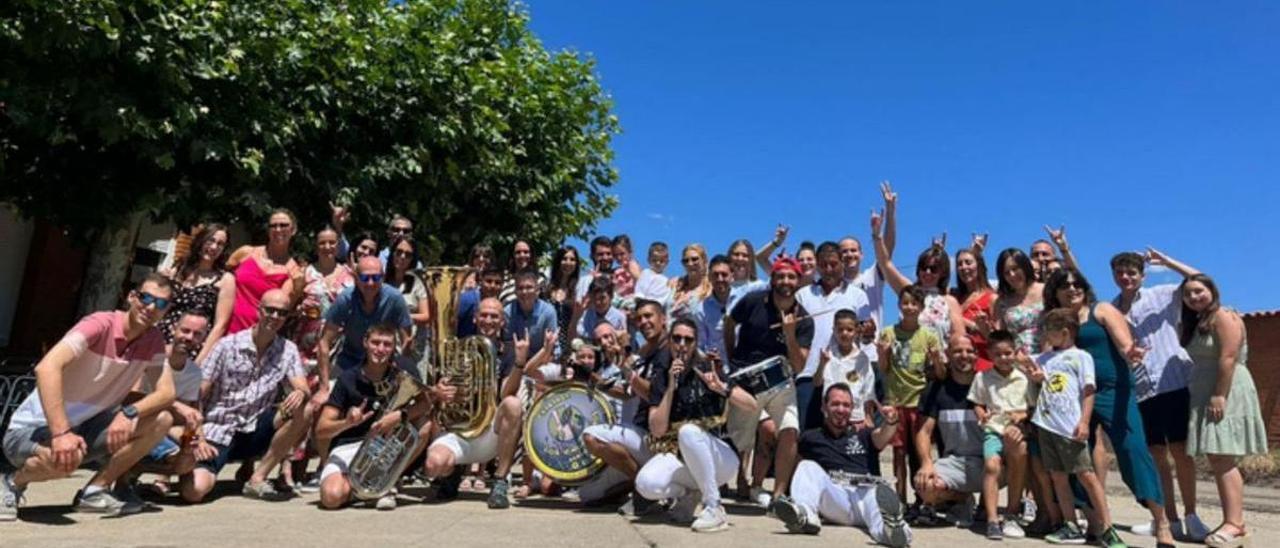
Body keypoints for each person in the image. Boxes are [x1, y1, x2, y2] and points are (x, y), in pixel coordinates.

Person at [2, 275, 175, 520]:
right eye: (146, 298)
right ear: (132, 296)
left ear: (166, 311)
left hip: (85, 430)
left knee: (162, 420)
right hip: (31, 430)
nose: (150, 307)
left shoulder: (153, 339)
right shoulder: (100, 324)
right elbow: (47, 368)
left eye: (160, 304)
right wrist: (61, 433)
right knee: (65, 459)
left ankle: (94, 491)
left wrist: (129, 413)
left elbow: (167, 392)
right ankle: (11, 483)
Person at [1043, 268, 1174, 546]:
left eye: (1076, 283)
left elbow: (1124, 341)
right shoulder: (1055, 322)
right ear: (1054, 292)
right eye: (1064, 285)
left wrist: (1130, 351)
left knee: (1133, 450)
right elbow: (1047, 357)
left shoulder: (1100, 310)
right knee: (1080, 460)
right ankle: (1097, 525)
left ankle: (1162, 523)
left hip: (1115, 391)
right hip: (1073, 399)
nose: (1072, 289)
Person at [1110, 248, 1209, 540]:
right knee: (1156, 455)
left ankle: (1192, 515)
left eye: (1131, 272)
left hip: (1172, 380)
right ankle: (1170, 519)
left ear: (1142, 275)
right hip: (1141, 388)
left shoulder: (1163, 294)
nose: (1126, 277)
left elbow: (1199, 280)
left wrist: (1166, 262)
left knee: (1180, 451)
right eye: (1120, 273)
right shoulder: (1113, 309)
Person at [182, 289, 313, 503]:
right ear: (259, 310)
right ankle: (182, 469)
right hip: (218, 431)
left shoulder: (287, 349)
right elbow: (196, 395)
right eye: (270, 310)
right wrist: (198, 437)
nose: (275, 317)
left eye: (282, 313)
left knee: (305, 408)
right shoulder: (227, 346)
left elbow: (302, 386)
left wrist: (300, 391)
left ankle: (257, 478)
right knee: (194, 492)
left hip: (255, 429)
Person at [422, 297, 545, 509]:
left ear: (502, 321)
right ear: (475, 317)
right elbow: (438, 389)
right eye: (484, 315)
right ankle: (452, 475)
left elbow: (507, 391)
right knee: (433, 466)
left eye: (494, 316)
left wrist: (519, 363)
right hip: (459, 432)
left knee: (512, 404)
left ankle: (499, 481)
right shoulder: (458, 347)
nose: (488, 320)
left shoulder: (510, 350)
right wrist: (441, 391)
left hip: (490, 432)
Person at [634, 319, 755, 533]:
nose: (682, 344)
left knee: (688, 431)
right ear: (669, 341)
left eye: (688, 339)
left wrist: (721, 388)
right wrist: (671, 388)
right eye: (677, 338)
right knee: (645, 484)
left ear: (695, 343)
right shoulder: (663, 375)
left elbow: (751, 405)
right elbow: (657, 429)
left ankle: (714, 506)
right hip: (683, 458)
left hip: (721, 458)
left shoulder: (706, 369)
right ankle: (691, 495)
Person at [1179, 273, 1268, 548]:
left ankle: (1235, 525)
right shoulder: (1201, 320)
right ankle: (1232, 521)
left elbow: (1228, 357)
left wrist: (1219, 395)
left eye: (1199, 291)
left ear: (1212, 290)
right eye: (1188, 294)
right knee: (1219, 458)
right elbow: (1195, 279)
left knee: (1223, 457)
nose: (1194, 297)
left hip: (1225, 390)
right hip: (1207, 391)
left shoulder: (1223, 316)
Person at [1025, 309, 1123, 548]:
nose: (1045, 336)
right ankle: (1070, 525)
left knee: (1086, 475)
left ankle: (1107, 527)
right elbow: (1033, 383)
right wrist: (1035, 378)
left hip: (1069, 426)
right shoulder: (1043, 359)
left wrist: (1084, 422)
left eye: (1049, 331)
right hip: (1046, 425)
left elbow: (1088, 390)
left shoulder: (1081, 357)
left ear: (1065, 332)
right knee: (1058, 476)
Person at [723, 256, 814, 514]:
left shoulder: (805, 319)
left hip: (781, 384)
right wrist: (733, 360)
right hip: (746, 381)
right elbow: (730, 323)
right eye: (781, 276)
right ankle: (743, 484)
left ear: (798, 281)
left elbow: (798, 366)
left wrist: (789, 335)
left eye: (791, 277)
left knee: (789, 431)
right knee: (742, 439)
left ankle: (777, 496)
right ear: (772, 279)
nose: (786, 281)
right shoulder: (752, 301)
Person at [771, 384, 910, 547]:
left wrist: (891, 421)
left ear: (852, 409)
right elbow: (794, 466)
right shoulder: (811, 437)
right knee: (806, 466)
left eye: (846, 405)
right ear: (824, 407)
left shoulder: (863, 434)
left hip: (866, 494)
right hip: (837, 498)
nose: (841, 409)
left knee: (879, 495)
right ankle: (805, 517)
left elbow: (883, 436)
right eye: (835, 404)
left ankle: (893, 533)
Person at [314, 324, 433, 510]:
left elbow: (425, 404)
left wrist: (399, 416)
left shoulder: (404, 369)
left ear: (394, 348)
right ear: (365, 343)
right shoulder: (348, 379)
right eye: (375, 343)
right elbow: (321, 430)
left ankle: (387, 483)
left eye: (387, 344)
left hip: (384, 445)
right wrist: (347, 422)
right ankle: (368, 489)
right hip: (349, 447)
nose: (380, 349)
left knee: (424, 425)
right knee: (331, 498)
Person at [581, 301, 659, 512]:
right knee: (586, 495)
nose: (605, 343)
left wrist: (622, 361)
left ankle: (645, 488)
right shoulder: (601, 368)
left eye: (608, 337)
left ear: (617, 335)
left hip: (642, 437)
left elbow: (628, 394)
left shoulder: (635, 359)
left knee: (591, 436)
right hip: (620, 445)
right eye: (599, 340)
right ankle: (638, 485)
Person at [126, 312, 212, 498]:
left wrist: (198, 439)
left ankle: (159, 478)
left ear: (204, 338)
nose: (189, 337)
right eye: (185, 330)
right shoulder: (152, 357)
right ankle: (126, 478)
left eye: (197, 334)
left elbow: (187, 417)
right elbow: (132, 398)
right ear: (174, 329)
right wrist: (174, 404)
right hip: (136, 421)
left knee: (189, 447)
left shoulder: (193, 373)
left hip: (166, 426)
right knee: (166, 431)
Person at [877, 285, 945, 508]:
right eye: (905, 303)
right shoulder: (888, 333)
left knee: (919, 454)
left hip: (919, 402)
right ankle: (900, 499)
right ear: (898, 305)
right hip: (895, 402)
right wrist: (882, 354)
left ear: (921, 307)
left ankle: (922, 500)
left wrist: (935, 360)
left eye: (914, 304)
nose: (909, 307)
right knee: (898, 454)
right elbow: (884, 369)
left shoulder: (929, 336)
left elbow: (940, 374)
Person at [795, 240, 872, 430]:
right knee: (807, 437)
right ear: (817, 266)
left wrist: (869, 332)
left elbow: (865, 337)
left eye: (834, 264)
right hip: (808, 376)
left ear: (842, 264)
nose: (829, 269)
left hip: (844, 377)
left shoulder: (858, 295)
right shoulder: (802, 295)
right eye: (823, 265)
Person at [911, 335, 984, 528]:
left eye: (969, 351)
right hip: (955, 463)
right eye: (958, 351)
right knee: (924, 485)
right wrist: (926, 463)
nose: (964, 355)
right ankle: (962, 499)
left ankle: (1009, 513)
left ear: (976, 355)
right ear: (948, 355)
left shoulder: (988, 384)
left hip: (991, 464)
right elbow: (924, 432)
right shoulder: (935, 390)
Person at [316, 256, 413, 400]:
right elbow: (324, 342)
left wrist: (401, 367)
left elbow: (407, 341)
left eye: (376, 277)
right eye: (364, 277)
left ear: (383, 277)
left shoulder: (395, 298)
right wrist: (324, 387)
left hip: (385, 364)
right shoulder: (345, 299)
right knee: (323, 403)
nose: (370, 283)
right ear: (355, 277)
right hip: (349, 363)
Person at [967, 329, 1030, 539]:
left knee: (1018, 454)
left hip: (1017, 428)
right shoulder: (983, 377)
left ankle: (1012, 513)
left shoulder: (1024, 378)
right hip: (993, 430)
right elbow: (977, 401)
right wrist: (981, 414)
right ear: (991, 355)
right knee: (992, 465)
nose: (1004, 358)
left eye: (1008, 353)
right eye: (998, 354)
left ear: (1015, 352)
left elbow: (1032, 407)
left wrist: (1021, 415)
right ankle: (992, 519)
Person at [157, 223, 236, 364]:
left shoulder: (225, 280)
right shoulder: (179, 269)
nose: (213, 247)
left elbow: (220, 325)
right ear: (201, 240)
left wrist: (200, 361)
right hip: (162, 339)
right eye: (210, 240)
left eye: (220, 244)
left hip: (192, 345)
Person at [223, 209, 305, 340]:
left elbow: (280, 312)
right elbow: (221, 277)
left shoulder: (295, 274)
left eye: (283, 225)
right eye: (273, 225)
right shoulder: (245, 253)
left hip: (255, 338)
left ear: (293, 230)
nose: (278, 229)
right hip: (223, 328)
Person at [293, 225, 354, 366]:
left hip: (340, 347)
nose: (327, 247)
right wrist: (300, 309)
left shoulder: (350, 274)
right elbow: (290, 308)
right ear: (316, 246)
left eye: (332, 242)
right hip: (306, 346)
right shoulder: (303, 273)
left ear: (338, 245)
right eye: (322, 243)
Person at [812, 309, 877, 429]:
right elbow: (816, 383)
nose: (845, 333)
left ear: (856, 332)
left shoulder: (862, 359)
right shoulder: (827, 355)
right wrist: (822, 364)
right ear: (834, 331)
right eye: (840, 330)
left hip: (856, 419)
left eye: (849, 330)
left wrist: (868, 417)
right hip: (831, 419)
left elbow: (869, 393)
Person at [384, 237, 430, 372]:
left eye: (408, 254)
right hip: (388, 345)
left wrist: (403, 316)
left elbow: (426, 316)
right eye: (399, 252)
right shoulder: (384, 281)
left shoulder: (418, 283)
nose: (402, 256)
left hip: (413, 347)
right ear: (392, 253)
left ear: (412, 259)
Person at [953, 241, 997, 372]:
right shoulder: (954, 298)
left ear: (979, 266)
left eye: (968, 262)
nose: (964, 267)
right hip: (958, 368)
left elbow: (998, 340)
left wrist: (980, 328)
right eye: (959, 264)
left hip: (983, 365)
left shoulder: (992, 298)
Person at [504, 270, 558, 362]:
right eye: (520, 288)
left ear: (537, 291)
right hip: (516, 359)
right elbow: (509, 345)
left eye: (529, 287)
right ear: (515, 292)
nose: (524, 292)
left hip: (543, 359)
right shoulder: (508, 312)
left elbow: (551, 348)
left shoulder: (548, 312)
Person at [545, 246, 584, 357]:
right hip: (546, 342)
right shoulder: (545, 288)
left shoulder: (578, 290)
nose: (568, 262)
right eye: (564, 258)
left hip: (566, 344)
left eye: (572, 260)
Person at [694, 255, 733, 360]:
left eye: (724, 275)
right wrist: (707, 357)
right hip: (719, 370)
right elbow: (699, 346)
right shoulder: (701, 310)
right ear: (710, 277)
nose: (720, 279)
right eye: (715, 275)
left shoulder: (744, 301)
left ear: (732, 276)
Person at [458, 266, 505, 338]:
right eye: (488, 281)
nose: (493, 286)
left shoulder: (497, 303)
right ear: (480, 281)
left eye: (497, 283)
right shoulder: (467, 300)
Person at [668, 243, 711, 322]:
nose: (690, 264)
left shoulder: (710, 290)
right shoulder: (675, 285)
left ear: (704, 261)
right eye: (685, 261)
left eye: (694, 259)